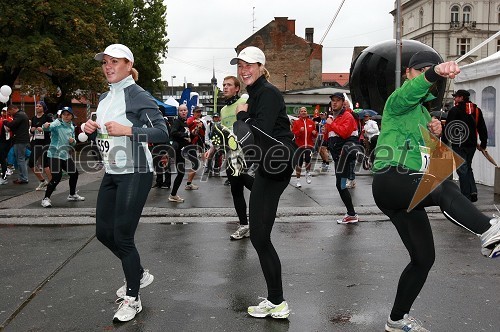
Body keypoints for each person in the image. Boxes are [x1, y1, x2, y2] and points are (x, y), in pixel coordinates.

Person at [371, 50, 500, 332]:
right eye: (421, 71)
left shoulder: (423, 114)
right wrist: (435, 72)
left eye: (429, 71)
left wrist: (434, 135)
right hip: (391, 179)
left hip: (407, 191)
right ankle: (488, 230)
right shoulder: (397, 101)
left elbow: (435, 162)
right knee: (441, 186)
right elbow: (412, 92)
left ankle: (396, 319)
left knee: (423, 258)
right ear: (408, 74)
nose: (426, 77)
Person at [84, 44, 168, 322]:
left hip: (136, 170)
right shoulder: (105, 98)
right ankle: (140, 273)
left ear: (128, 64)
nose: (108, 66)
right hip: (113, 171)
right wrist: (89, 128)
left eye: (114, 62)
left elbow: (162, 132)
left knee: (122, 235)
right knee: (103, 232)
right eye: (105, 62)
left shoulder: (137, 95)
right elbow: (103, 135)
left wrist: (129, 130)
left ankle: (132, 298)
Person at [231, 46, 295, 319]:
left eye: (249, 65)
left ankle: (277, 301)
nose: (244, 70)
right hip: (271, 163)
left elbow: (259, 130)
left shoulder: (266, 92)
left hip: (277, 163)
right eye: (240, 65)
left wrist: (242, 116)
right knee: (260, 236)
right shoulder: (256, 93)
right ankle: (276, 300)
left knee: (259, 236)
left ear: (260, 67)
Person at [204, 75, 253, 240]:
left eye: (229, 85)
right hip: (231, 155)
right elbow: (222, 135)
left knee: (243, 182)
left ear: (237, 88)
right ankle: (245, 225)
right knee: (236, 189)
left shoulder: (244, 101)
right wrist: (211, 150)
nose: (224, 87)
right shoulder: (224, 111)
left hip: (247, 153)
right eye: (224, 85)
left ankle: (257, 213)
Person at [444, 89, 488, 202]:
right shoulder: (476, 110)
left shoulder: (455, 110)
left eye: (456, 97)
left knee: (462, 170)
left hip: (459, 144)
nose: (454, 98)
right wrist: (483, 144)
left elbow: (448, 128)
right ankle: (473, 191)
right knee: (467, 167)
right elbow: (482, 128)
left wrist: (444, 143)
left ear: (462, 98)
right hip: (472, 145)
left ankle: (465, 196)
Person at [324, 92, 360, 224]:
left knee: (341, 185)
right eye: (333, 100)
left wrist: (331, 123)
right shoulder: (333, 117)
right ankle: (351, 213)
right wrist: (325, 142)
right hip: (338, 156)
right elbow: (330, 134)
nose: (334, 103)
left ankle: (352, 214)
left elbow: (344, 133)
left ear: (343, 102)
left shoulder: (347, 116)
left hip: (344, 156)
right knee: (341, 185)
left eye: (337, 100)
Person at [40, 106, 83, 207]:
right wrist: (45, 126)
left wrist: (74, 141)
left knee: (74, 173)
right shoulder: (57, 123)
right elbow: (48, 128)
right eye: (64, 114)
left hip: (65, 155)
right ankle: (45, 199)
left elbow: (72, 142)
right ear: (61, 115)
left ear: (72, 116)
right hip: (54, 154)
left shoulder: (72, 126)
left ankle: (72, 194)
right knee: (56, 177)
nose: (66, 116)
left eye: (68, 115)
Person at [168, 104, 193, 202]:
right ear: (178, 112)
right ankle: (173, 195)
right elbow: (173, 133)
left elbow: (185, 136)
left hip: (182, 150)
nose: (183, 112)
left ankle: (173, 194)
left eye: (185, 110)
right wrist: (185, 134)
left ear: (187, 111)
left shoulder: (185, 122)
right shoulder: (177, 122)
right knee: (181, 173)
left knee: (181, 173)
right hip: (177, 150)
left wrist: (191, 135)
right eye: (181, 110)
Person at [291, 106, 317, 188]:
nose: (303, 112)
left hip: (309, 146)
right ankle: (298, 180)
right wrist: (299, 131)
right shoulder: (296, 122)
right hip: (299, 146)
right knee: (299, 163)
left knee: (308, 161)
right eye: (302, 111)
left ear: (306, 112)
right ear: (299, 113)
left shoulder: (311, 122)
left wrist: (314, 133)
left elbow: (315, 134)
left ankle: (307, 173)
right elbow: (293, 134)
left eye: (304, 111)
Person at [29, 101, 53, 191]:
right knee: (31, 163)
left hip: (46, 142)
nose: (37, 107)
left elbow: (52, 127)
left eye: (40, 106)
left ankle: (52, 183)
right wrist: (32, 129)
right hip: (37, 143)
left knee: (45, 164)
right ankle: (42, 181)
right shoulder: (34, 118)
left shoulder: (47, 117)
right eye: (37, 106)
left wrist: (44, 128)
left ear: (43, 108)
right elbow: (32, 131)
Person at [4, 105, 30, 184]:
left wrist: (5, 121)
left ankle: (24, 178)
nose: (10, 114)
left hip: (20, 140)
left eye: (10, 112)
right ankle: (22, 177)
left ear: (13, 109)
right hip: (22, 139)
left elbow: (12, 124)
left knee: (20, 159)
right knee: (21, 159)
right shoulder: (23, 114)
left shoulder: (19, 115)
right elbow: (16, 126)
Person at [184, 106, 205, 190]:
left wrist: (200, 127)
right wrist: (196, 126)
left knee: (195, 164)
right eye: (197, 112)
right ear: (193, 112)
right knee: (195, 164)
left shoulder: (201, 122)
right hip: (188, 144)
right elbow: (189, 130)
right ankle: (188, 184)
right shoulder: (190, 120)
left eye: (199, 112)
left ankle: (189, 183)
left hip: (194, 145)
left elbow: (202, 134)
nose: (198, 113)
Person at [0, 107, 12, 184]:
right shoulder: (1, 119)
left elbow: (11, 129)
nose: (4, 113)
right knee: (2, 158)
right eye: (3, 111)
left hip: (6, 141)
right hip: (1, 140)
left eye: (6, 111)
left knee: (2, 158)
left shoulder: (10, 119)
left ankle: (4, 177)